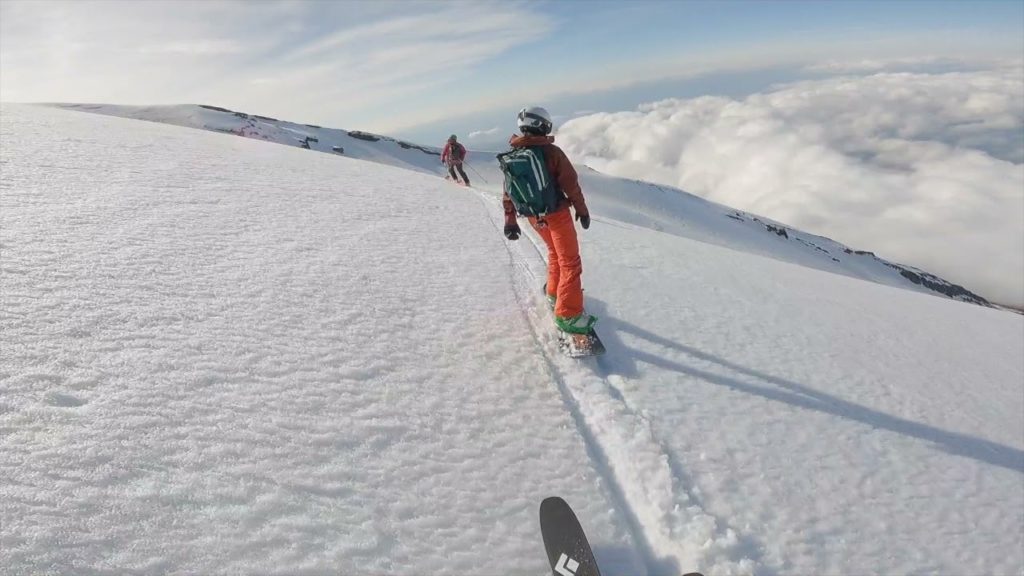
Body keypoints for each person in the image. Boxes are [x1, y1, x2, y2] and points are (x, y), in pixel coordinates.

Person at [502, 106, 595, 334]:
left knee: (555, 254)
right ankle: (569, 315)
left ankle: (554, 295)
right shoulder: (551, 152)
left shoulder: (514, 155)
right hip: (557, 215)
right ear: (543, 126)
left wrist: (510, 220)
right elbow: (570, 184)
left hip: (533, 216)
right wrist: (582, 211)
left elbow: (508, 191)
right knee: (570, 263)